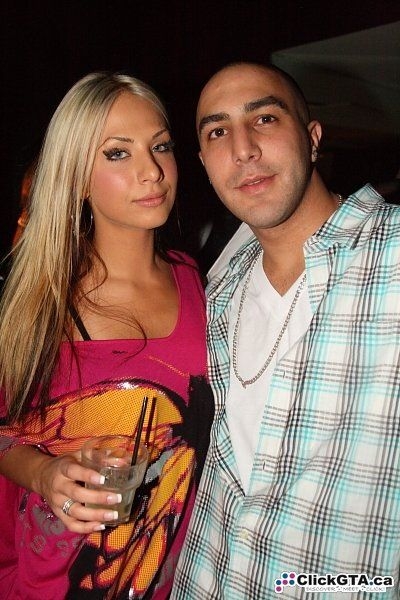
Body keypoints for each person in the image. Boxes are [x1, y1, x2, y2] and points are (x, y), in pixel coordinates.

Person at [172, 62, 400, 598]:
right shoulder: (215, 293)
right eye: (218, 132)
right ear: (204, 163)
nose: (243, 149)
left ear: (313, 138)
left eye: (265, 118)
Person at [0, 72, 213, 599]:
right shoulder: (42, 301)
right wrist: (45, 474)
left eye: (160, 146)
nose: (152, 171)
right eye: (118, 153)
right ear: (76, 177)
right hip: (50, 583)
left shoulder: (198, 281)